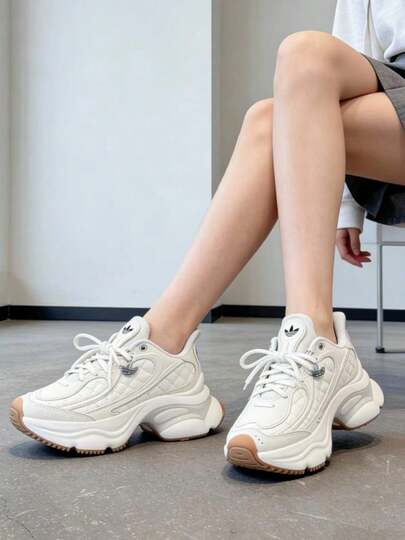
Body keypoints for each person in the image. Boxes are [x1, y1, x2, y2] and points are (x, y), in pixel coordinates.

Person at [10, 0, 405, 474]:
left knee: (278, 108)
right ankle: (168, 344)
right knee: (295, 70)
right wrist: (346, 206)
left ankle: (311, 343)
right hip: (390, 99)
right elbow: (357, 55)